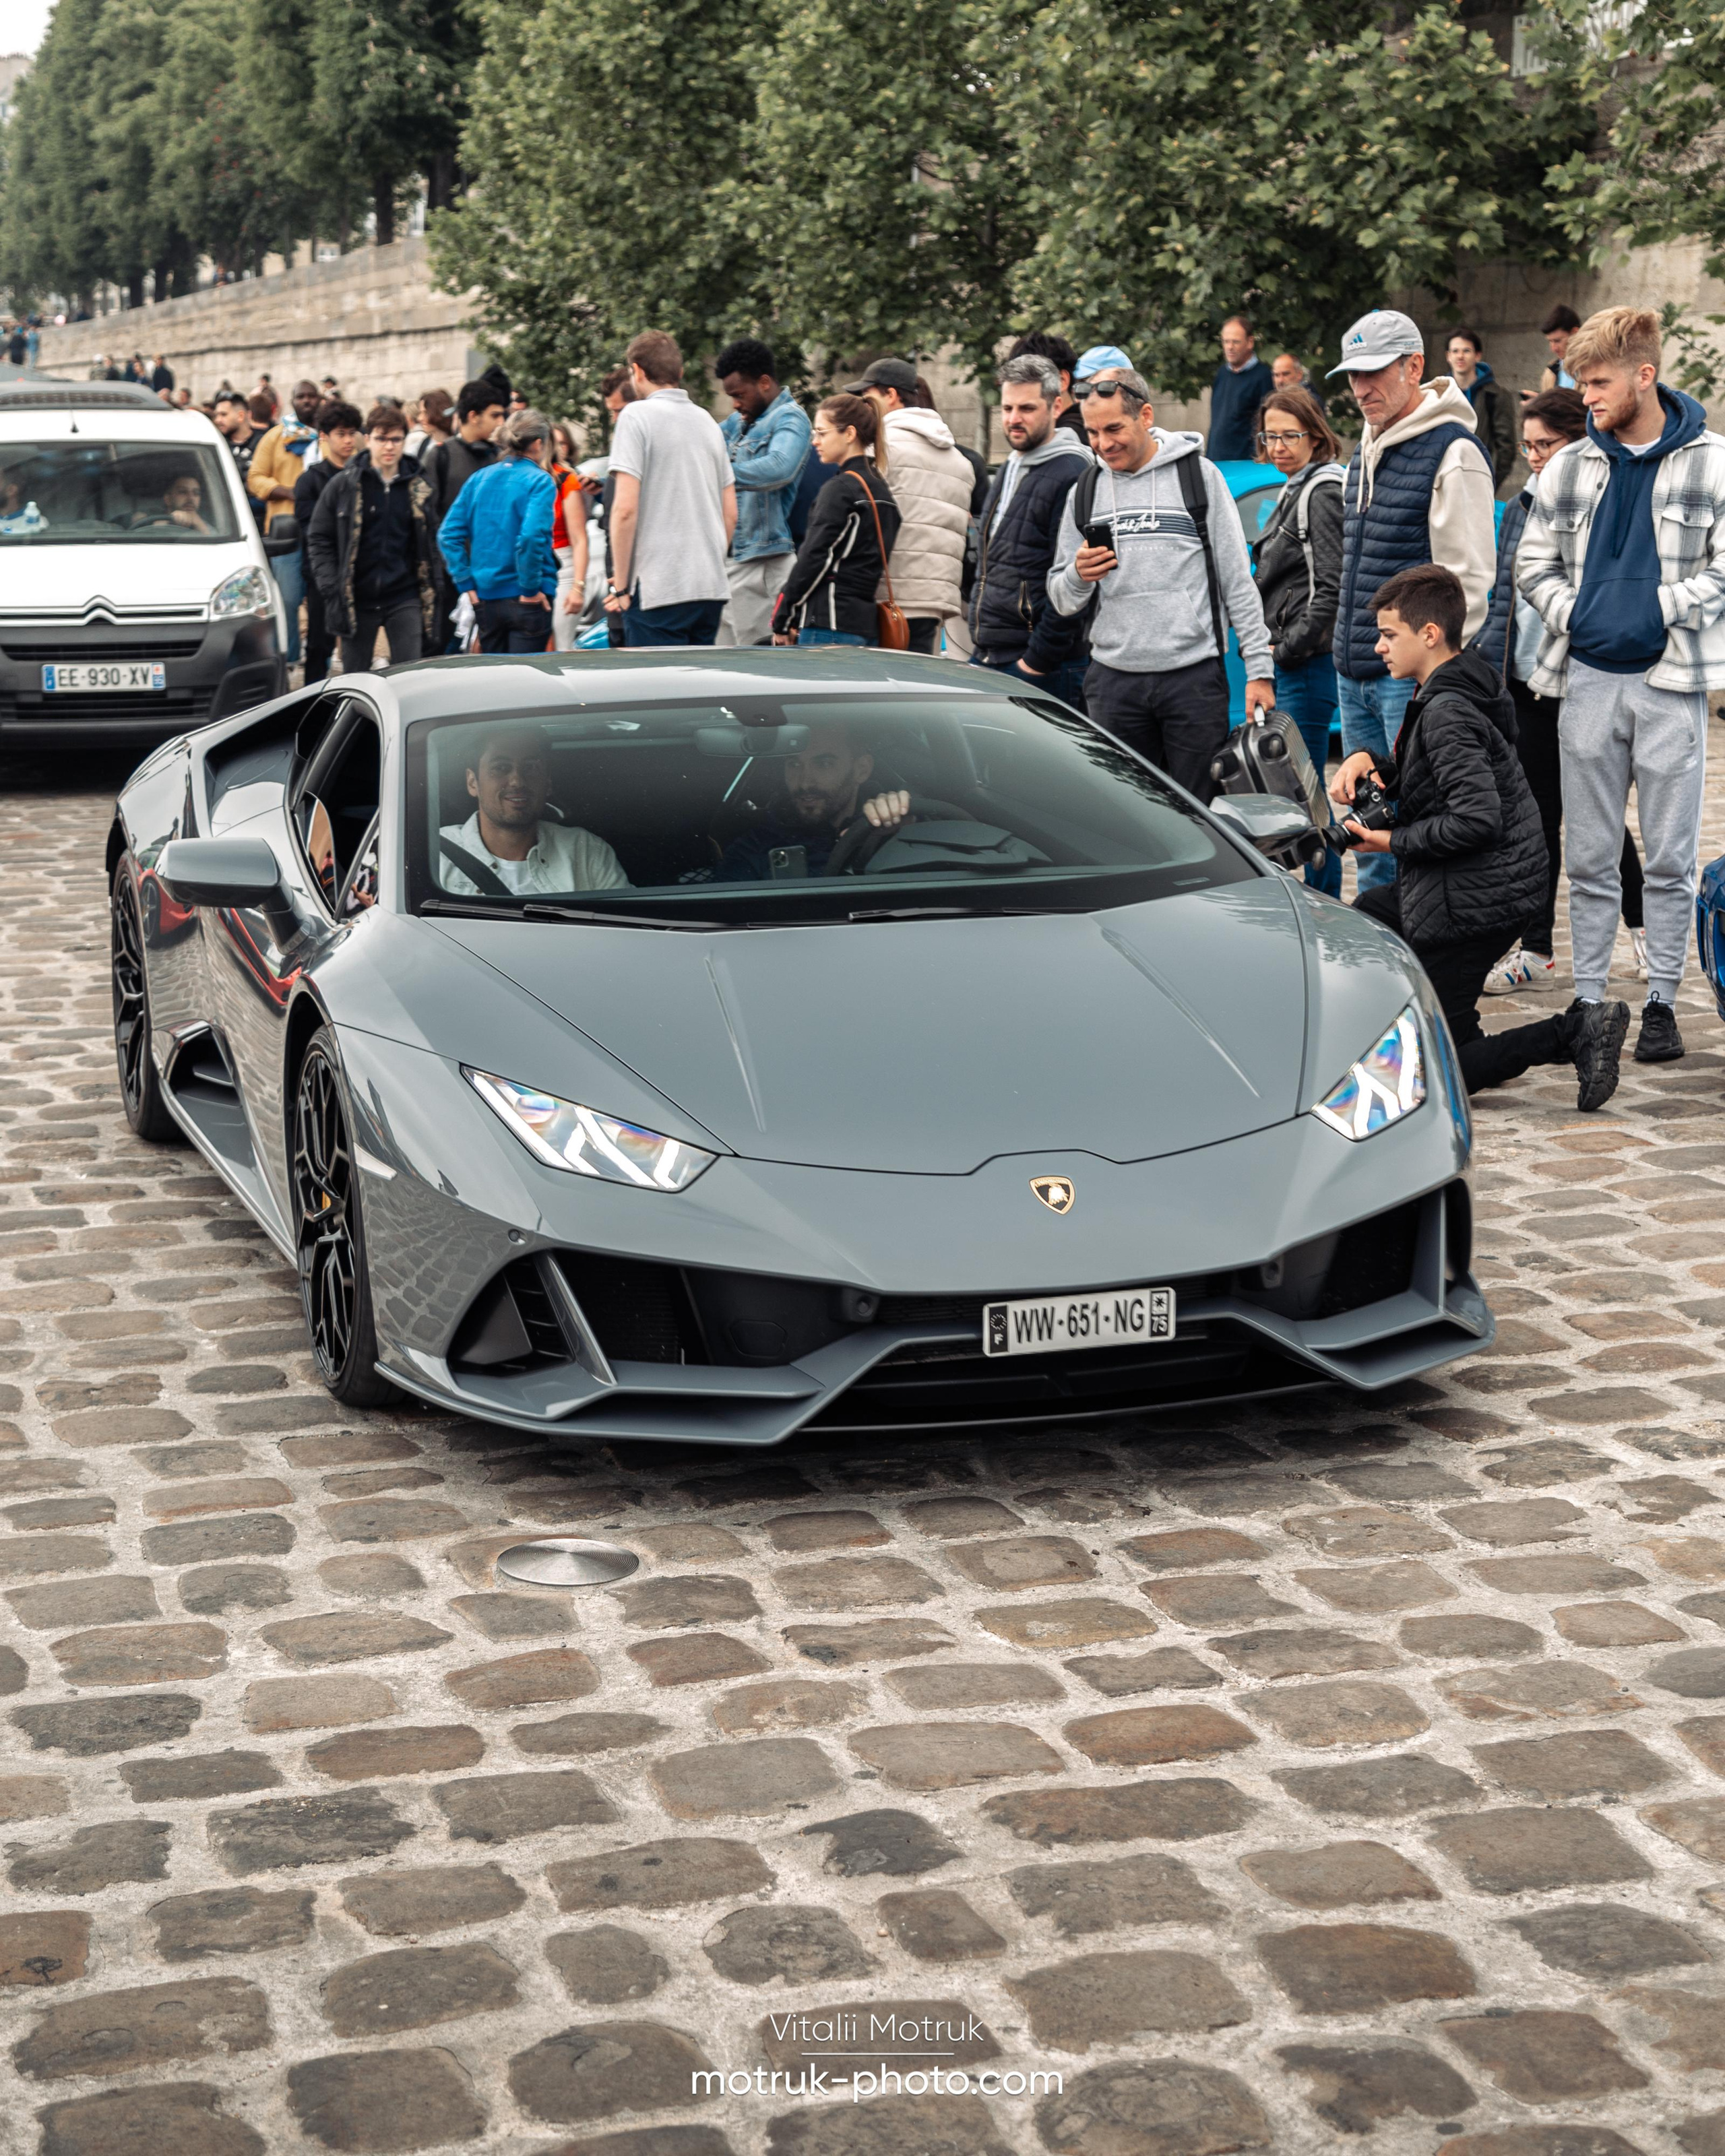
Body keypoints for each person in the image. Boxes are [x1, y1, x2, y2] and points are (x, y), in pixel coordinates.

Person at [1334, 565, 1628, 1108]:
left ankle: (1573, 1032)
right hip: (1480, 882)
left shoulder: (1446, 711)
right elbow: (1435, 772)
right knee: (1372, 913)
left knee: (1439, 1075)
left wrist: (1388, 842)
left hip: (1478, 898)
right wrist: (1369, 761)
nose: (1377, 648)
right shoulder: (1457, 683)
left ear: (1429, 634)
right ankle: (1427, 1021)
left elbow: (1476, 820)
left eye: (1388, 635)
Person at [1516, 304, 1725, 1066]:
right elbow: (1531, 566)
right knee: (1592, 854)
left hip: (1672, 682)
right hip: (1587, 680)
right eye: (1579, 381)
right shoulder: (1570, 464)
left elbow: (1724, 571)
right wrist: (1584, 614)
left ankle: (1664, 1001)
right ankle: (1588, 997)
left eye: (1598, 381)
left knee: (1669, 856)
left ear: (1646, 374)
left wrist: (1652, 608)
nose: (1587, 397)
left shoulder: (1714, 461)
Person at [1472, 387, 1649, 993]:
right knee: (1537, 820)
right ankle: (1538, 949)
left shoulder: (1605, 504)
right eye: (1527, 446)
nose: (1535, 457)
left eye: (1546, 444)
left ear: (1580, 440)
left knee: (1596, 814)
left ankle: (1646, 928)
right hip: (1523, 688)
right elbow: (1504, 598)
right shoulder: (1521, 504)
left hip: (1582, 681)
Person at [1327, 307, 1497, 889]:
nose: (1361, 387)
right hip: (1356, 673)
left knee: (1416, 832)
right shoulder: (1364, 448)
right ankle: (1381, 954)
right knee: (1366, 831)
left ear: (1415, 366)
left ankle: (1420, 964)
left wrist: (1433, 680)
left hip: (1409, 683)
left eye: (1374, 372)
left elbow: (1469, 583)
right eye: (1352, 374)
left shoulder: (1454, 451)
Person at [1047, 369, 1273, 801]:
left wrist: (1259, 671)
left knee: (1201, 813)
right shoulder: (1087, 488)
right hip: (1114, 684)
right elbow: (1060, 597)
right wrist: (1078, 574)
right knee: (1125, 815)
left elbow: (1236, 581)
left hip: (1192, 680)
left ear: (1146, 415)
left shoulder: (1199, 477)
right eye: (1093, 432)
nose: (1103, 443)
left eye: (1114, 428)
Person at [1251, 386, 1347, 895]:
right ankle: (1317, 898)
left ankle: (1325, 901)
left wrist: (1284, 650)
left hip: (1306, 667)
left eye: (1291, 435)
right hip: (1292, 663)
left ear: (1315, 436)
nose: (1279, 446)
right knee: (1296, 796)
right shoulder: (1293, 489)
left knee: (1306, 799)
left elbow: (1330, 592)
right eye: (1271, 436)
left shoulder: (1322, 492)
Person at [968, 354, 1092, 705]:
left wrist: (1036, 661)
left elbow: (1078, 579)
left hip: (1042, 665)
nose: (1013, 419)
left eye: (1026, 408)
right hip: (992, 654)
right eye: (1007, 409)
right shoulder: (1011, 463)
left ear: (1056, 406)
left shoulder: (1073, 471)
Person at [604, 330, 735, 647]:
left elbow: (625, 510)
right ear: (680, 373)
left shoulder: (635, 416)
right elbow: (730, 512)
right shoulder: (707, 421)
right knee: (700, 693)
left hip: (658, 589)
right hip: (708, 586)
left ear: (636, 371)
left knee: (656, 692)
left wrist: (621, 587)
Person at [845, 356, 970, 653]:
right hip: (934, 600)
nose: (865, 407)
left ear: (891, 395)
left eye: (868, 398)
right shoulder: (961, 462)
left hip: (885, 597)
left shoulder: (880, 447)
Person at [306, 404, 437, 675]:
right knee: (355, 680)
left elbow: (433, 541)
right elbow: (319, 537)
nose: (389, 447)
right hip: (358, 599)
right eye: (381, 439)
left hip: (405, 596)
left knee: (409, 677)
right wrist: (331, 586)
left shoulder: (420, 487)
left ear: (404, 440)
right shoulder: (344, 485)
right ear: (367, 440)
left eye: (396, 439)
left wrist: (434, 585)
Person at [770, 395, 900, 647]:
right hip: (866, 627)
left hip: (828, 625)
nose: (815, 442)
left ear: (849, 433)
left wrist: (783, 617)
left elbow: (814, 558)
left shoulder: (840, 489)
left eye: (821, 433)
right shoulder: (883, 492)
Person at [438, 722, 627, 896]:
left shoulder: (585, 852)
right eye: (501, 768)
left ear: (548, 782)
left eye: (531, 767)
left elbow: (623, 926)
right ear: (473, 783)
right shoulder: (436, 856)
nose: (517, 781)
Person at [715, 717, 910, 880]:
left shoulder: (896, 827)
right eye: (794, 764)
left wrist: (902, 829)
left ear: (861, 770)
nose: (805, 783)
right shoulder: (755, 848)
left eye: (824, 764)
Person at [714, 337, 812, 648]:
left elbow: (780, 466)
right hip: (732, 562)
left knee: (753, 669)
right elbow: (697, 445)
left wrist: (719, 475)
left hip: (764, 562)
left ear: (765, 383)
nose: (735, 404)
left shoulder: (790, 418)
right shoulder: (739, 423)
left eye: (739, 395)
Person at [435, 408, 559, 654]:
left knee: (495, 680)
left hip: (486, 596)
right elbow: (531, 537)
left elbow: (448, 534)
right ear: (538, 444)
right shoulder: (540, 480)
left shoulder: (479, 478)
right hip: (526, 597)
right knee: (526, 680)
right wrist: (530, 589)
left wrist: (466, 584)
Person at [425, 381, 507, 651]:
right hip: (450, 577)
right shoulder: (440, 456)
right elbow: (430, 518)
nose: (501, 422)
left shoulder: (500, 458)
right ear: (473, 416)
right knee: (444, 649)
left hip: (493, 576)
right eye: (495, 415)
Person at [247, 379, 322, 665]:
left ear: (319, 400)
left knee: (321, 601)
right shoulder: (276, 437)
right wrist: (289, 491)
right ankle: (291, 658)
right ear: (292, 402)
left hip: (323, 530)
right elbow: (255, 478)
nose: (306, 401)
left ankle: (319, 659)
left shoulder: (331, 437)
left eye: (311, 396)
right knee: (288, 600)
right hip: (285, 529)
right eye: (300, 396)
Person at [295, 400, 361, 685]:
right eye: (341, 434)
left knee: (358, 646)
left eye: (352, 433)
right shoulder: (310, 481)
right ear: (324, 436)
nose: (348, 441)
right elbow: (313, 533)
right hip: (324, 574)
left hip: (361, 572)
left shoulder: (364, 475)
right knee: (320, 643)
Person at [1445, 327, 1517, 494]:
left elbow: (1506, 448)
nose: (1460, 356)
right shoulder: (1437, 395)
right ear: (1448, 356)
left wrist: (1489, 484)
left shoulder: (1496, 396)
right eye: (1455, 351)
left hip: (1478, 483)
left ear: (1478, 355)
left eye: (1466, 351)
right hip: (1443, 483)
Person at [546, 422, 591, 654]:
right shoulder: (523, 476)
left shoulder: (566, 479)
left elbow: (580, 538)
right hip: (531, 566)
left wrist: (578, 587)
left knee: (561, 645)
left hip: (563, 565)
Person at [1209, 315, 1277, 464]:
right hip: (1216, 460)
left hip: (1246, 465)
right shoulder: (1222, 373)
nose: (1229, 347)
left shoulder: (1263, 377)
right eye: (1226, 342)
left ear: (1250, 342)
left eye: (1236, 342)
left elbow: (1267, 425)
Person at [1008, 332, 1085, 440]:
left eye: (1030, 379)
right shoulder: (1087, 427)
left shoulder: (1066, 440)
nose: (1013, 420)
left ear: (1061, 381)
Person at [212, 389, 263, 503]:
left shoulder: (264, 443)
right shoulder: (216, 443)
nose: (218, 420)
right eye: (217, 415)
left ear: (241, 416)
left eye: (223, 415)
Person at [134, 472, 212, 534]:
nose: (191, 498)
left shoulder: (204, 525)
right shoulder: (151, 517)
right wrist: (163, 524)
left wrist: (199, 525)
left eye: (196, 493)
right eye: (183, 492)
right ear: (168, 499)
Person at [1539, 305, 1581, 393]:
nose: (1554, 349)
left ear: (1575, 333)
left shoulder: (1594, 368)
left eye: (1557, 341)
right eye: (1550, 341)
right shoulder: (1550, 373)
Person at [406, 388, 454, 463]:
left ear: (438, 412)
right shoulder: (418, 450)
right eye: (420, 413)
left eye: (425, 413)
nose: (420, 418)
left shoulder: (460, 446)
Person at [1271, 352, 1325, 417]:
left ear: (1299, 375)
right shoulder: (1272, 402)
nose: (1280, 380)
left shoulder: (1310, 403)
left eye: (1286, 374)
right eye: (1276, 375)